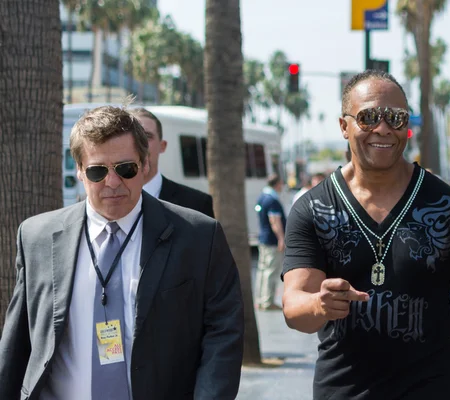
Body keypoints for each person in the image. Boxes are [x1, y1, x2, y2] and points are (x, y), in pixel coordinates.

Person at [281, 70, 450, 400]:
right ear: (344, 126)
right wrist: (319, 304)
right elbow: (294, 307)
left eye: (396, 118)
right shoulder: (314, 208)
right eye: (369, 117)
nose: (384, 128)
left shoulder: (448, 207)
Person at [0, 105, 243, 400]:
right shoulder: (37, 237)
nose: (112, 183)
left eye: (125, 169)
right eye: (97, 171)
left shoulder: (198, 236)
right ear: (79, 170)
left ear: (145, 165)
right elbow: (17, 345)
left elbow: (223, 333)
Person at [132, 108, 214, 217]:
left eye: (147, 136)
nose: (140, 144)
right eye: (133, 136)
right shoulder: (108, 201)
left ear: (162, 146)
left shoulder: (197, 204)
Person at [255, 174, 286, 311]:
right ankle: (268, 301)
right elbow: (275, 221)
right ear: (277, 184)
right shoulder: (272, 200)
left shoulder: (262, 197)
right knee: (271, 271)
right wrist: (281, 238)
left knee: (262, 270)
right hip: (272, 241)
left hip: (263, 239)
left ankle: (261, 300)